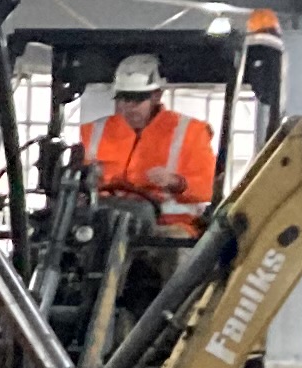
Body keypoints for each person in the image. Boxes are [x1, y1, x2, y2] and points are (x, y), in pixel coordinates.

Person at [83, 52, 217, 234]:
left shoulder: (191, 132)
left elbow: (207, 187)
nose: (128, 107)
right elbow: (76, 177)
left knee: (171, 246)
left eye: (137, 99)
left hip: (166, 225)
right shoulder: (95, 130)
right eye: (123, 98)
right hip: (104, 222)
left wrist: (176, 182)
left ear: (156, 96)